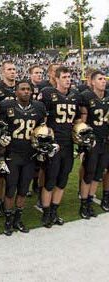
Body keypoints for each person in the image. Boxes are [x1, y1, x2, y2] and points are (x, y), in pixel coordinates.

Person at [0, 81, 46, 235]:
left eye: (28, 89)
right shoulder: (7, 107)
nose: (26, 92)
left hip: (29, 155)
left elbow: (41, 131)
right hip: (12, 155)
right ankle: (9, 220)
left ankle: (18, 219)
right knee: (11, 189)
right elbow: (1, 133)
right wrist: (0, 157)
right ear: (16, 92)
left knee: (24, 189)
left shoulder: (38, 107)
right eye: (22, 89)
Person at [38, 66, 80, 228]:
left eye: (69, 77)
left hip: (68, 144)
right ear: (56, 79)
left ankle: (54, 211)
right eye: (64, 77)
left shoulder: (75, 96)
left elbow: (76, 119)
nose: (68, 80)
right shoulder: (49, 94)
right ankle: (46, 212)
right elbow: (41, 119)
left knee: (62, 180)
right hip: (54, 145)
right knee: (50, 180)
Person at [78, 71, 108, 217]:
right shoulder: (86, 97)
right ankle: (84, 204)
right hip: (92, 141)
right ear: (92, 82)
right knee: (89, 173)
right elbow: (81, 121)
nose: (103, 81)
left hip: (105, 141)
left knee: (98, 174)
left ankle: (89, 201)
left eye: (104, 79)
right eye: (100, 79)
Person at [0, 61, 17, 217]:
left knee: (13, 170)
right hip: (1, 134)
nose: (12, 72)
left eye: (14, 69)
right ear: (2, 72)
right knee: (0, 170)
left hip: (17, 134)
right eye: (9, 69)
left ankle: (9, 199)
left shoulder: (21, 87)